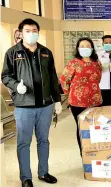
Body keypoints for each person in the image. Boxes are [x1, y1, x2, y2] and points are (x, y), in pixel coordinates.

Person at [1, 18, 61, 187]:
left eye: (34, 30)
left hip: (45, 105)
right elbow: (5, 76)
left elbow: (53, 78)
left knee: (44, 140)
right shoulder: (12, 52)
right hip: (24, 106)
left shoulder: (46, 52)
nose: (31, 33)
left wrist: (56, 100)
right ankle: (25, 177)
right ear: (20, 32)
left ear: (38, 32)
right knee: (23, 142)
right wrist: (15, 86)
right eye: (28, 30)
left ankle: (43, 172)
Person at [59, 37, 102, 155]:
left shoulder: (96, 63)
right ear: (78, 48)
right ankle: (84, 155)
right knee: (82, 128)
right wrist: (70, 93)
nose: (85, 48)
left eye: (88, 46)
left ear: (92, 48)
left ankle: (96, 153)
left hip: (95, 101)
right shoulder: (74, 63)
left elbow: (98, 79)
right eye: (82, 46)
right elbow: (63, 79)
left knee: (95, 128)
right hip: (78, 103)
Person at [98, 35, 111, 106]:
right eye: (106, 43)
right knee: (104, 109)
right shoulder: (98, 56)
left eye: (110, 42)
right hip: (103, 87)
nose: (108, 44)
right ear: (103, 44)